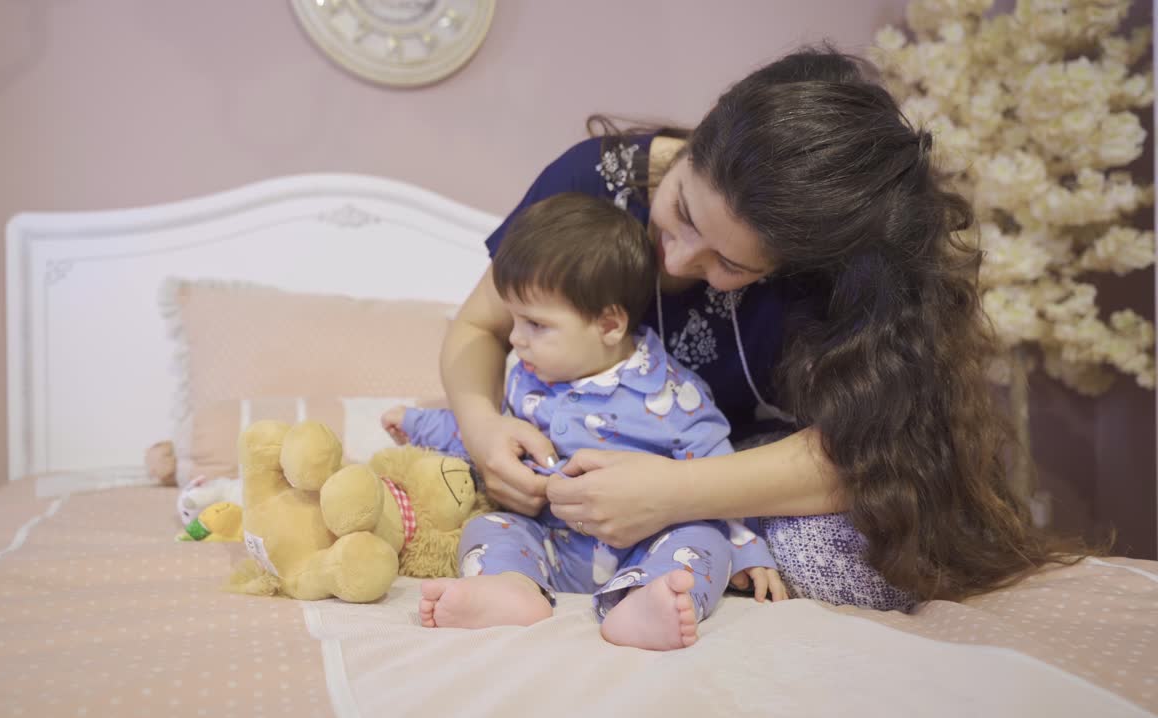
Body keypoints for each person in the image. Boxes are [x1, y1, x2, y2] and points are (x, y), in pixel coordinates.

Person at [433, 44, 1089, 613]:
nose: (681, 258)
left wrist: (674, 495)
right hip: (601, 463)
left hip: (738, 470)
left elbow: (873, 447)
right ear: (697, 144)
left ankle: (677, 568)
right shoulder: (591, 183)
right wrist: (482, 426)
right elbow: (477, 327)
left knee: (865, 550)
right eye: (682, 209)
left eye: (730, 262)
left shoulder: (839, 275)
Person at [383, 192, 784, 650]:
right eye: (513, 319)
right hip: (552, 538)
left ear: (609, 326)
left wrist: (749, 549)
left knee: (701, 542)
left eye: (536, 325)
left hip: (647, 541)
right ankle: (512, 588)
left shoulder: (674, 395)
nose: (515, 339)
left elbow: (719, 474)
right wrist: (418, 423)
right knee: (492, 527)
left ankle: (644, 602)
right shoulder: (529, 381)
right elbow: (491, 432)